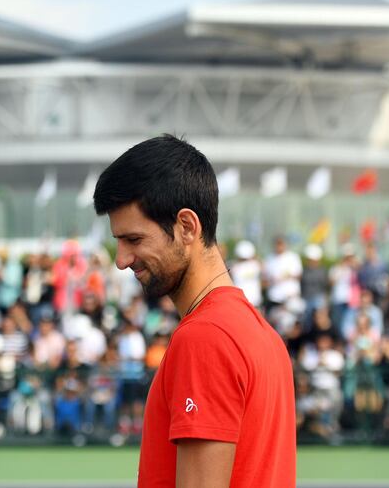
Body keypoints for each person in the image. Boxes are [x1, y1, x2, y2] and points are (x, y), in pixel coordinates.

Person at [93, 134, 295, 487]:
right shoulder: (260, 333)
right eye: (118, 242)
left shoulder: (205, 337)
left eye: (134, 240)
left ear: (187, 226)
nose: (122, 260)